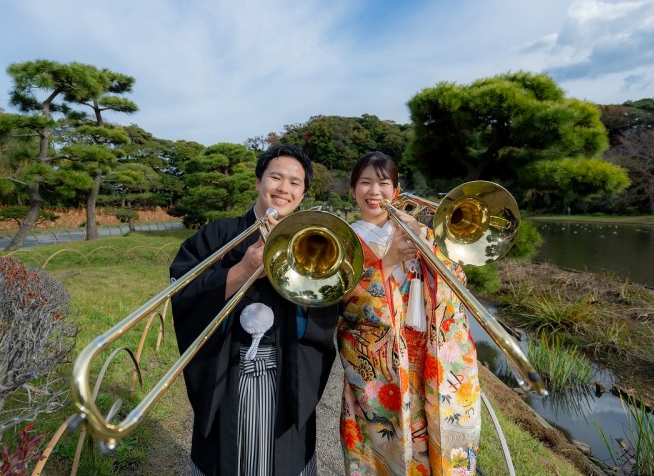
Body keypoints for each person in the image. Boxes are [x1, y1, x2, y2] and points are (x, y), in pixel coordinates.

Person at [170, 144, 338, 476]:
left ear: (302, 194)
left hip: (286, 370)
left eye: (294, 182)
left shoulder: (314, 242)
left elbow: (327, 305)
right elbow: (183, 290)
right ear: (259, 181)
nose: (284, 188)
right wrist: (244, 268)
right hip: (228, 369)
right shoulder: (217, 235)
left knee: (283, 459)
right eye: (276, 177)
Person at [337, 151, 481, 474]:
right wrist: (386, 263)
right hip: (380, 365)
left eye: (383, 183)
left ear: (397, 191)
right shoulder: (344, 241)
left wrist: (428, 249)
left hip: (428, 361)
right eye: (365, 183)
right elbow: (345, 304)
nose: (374, 191)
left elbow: (458, 283)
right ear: (352, 190)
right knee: (386, 445)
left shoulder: (418, 231)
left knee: (435, 437)